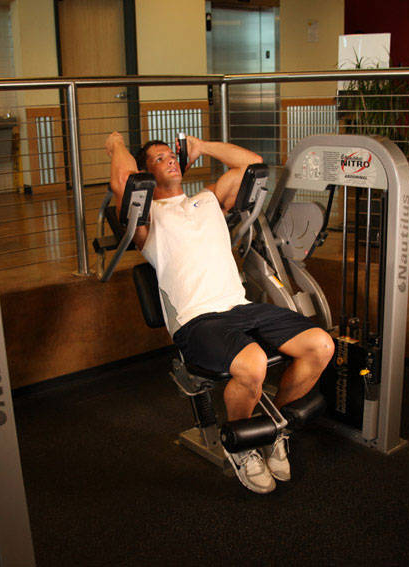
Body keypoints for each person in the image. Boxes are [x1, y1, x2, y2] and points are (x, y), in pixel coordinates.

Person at [105, 131, 334, 494]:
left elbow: (252, 164)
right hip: (198, 320)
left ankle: (272, 429)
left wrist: (200, 147)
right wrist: (116, 144)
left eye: (170, 155)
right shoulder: (145, 219)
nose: (169, 159)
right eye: (158, 158)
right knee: (254, 364)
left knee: (321, 345)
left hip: (241, 307)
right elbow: (122, 181)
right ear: (146, 174)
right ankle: (241, 448)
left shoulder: (209, 198)